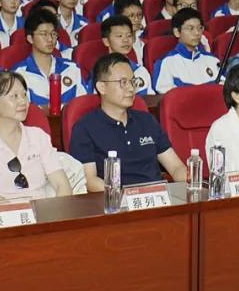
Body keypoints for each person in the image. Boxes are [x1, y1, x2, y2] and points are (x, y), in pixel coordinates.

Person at [70, 53, 187, 189]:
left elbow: (176, 167)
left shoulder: (147, 120)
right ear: (102, 87)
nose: (131, 89)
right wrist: (123, 197)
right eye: (123, 82)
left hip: (156, 197)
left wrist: (193, 182)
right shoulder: (85, 128)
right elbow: (89, 180)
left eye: (133, 81)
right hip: (115, 199)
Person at [0, 71, 73, 199]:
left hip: (42, 208)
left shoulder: (38, 136)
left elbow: (62, 185)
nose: (23, 102)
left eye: (24, 95)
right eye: (14, 96)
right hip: (2, 209)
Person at [13, 9, 86, 106]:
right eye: (44, 34)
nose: (50, 39)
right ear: (30, 39)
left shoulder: (72, 68)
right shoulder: (19, 74)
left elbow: (83, 105)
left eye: (53, 34)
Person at [153, 8, 222, 93]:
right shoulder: (166, 63)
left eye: (200, 28)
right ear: (177, 32)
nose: (197, 33)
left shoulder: (212, 60)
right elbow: (168, 97)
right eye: (191, 28)